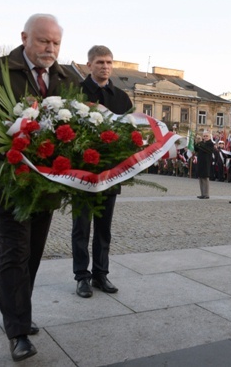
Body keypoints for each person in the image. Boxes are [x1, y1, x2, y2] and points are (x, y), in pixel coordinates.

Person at [0, 14, 76, 362]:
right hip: (9, 180)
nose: (51, 49)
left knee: (34, 251)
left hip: (46, 184)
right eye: (44, 41)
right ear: (25, 37)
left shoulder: (66, 76)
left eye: (56, 43)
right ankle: (17, 329)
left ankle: (19, 310)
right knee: (14, 250)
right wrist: (11, 142)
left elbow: (79, 118)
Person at [72, 45, 133, 299]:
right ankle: (82, 277)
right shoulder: (75, 94)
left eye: (109, 62)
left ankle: (100, 274)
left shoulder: (121, 97)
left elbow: (131, 134)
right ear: (89, 65)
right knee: (82, 226)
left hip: (111, 173)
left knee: (104, 227)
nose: (105, 66)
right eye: (99, 62)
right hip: (82, 172)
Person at [195, 131, 214, 199]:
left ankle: (206, 194)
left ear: (209, 137)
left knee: (205, 178)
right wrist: (196, 142)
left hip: (206, 162)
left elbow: (206, 149)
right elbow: (196, 149)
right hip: (200, 162)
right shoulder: (202, 143)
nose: (205, 137)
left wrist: (200, 143)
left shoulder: (210, 144)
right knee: (200, 178)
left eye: (206, 136)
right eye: (204, 136)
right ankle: (202, 193)